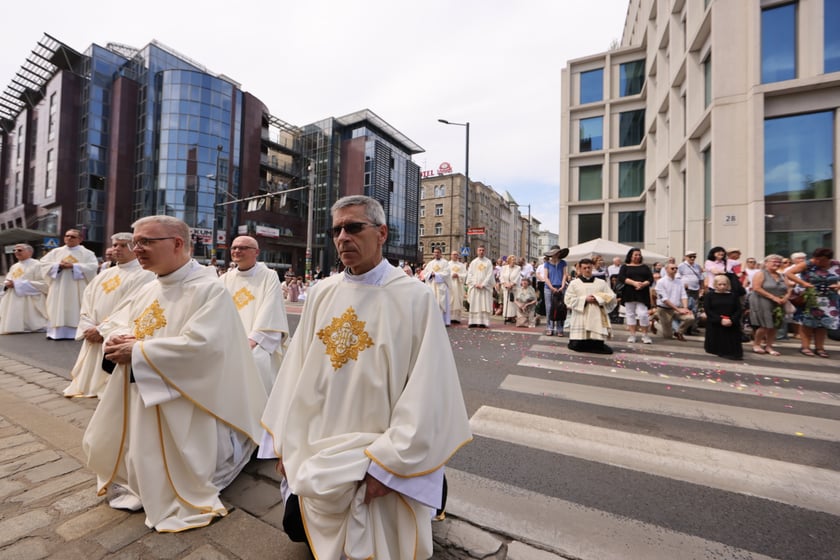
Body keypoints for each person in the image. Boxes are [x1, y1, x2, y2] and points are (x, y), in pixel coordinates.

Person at [259, 195, 471, 559]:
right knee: (296, 526)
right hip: (319, 440)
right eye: (337, 230)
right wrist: (282, 442)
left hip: (377, 445)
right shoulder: (322, 293)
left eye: (354, 227)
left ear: (382, 233)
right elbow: (295, 369)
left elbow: (427, 390)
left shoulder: (415, 297)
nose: (343, 237)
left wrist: (388, 466)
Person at [82, 215, 267, 532]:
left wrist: (139, 351)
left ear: (178, 243)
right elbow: (125, 321)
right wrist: (117, 337)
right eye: (135, 242)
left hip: (185, 400)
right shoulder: (149, 286)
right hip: (142, 390)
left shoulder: (209, 291)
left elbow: (205, 348)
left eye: (146, 242)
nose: (137, 249)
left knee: (175, 462)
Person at [63, 233, 155, 399]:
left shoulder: (145, 274)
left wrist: (102, 329)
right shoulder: (106, 273)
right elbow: (87, 298)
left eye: (123, 245)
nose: (116, 249)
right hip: (93, 328)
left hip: (113, 331)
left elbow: (131, 306)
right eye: (115, 245)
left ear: (134, 248)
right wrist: (87, 324)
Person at [222, 235, 290, 393]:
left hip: (257, 340)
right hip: (229, 340)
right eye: (234, 247)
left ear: (256, 252)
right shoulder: (224, 279)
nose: (237, 251)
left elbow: (271, 309)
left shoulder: (269, 275)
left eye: (243, 248)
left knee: (258, 360)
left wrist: (252, 341)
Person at [40, 229, 99, 340]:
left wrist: (74, 266)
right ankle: (56, 333)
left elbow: (92, 267)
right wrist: (58, 265)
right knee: (57, 308)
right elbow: (43, 264)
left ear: (80, 239)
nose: (69, 238)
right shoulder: (56, 252)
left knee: (76, 308)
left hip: (77, 287)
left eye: (73, 236)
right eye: (67, 236)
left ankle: (75, 333)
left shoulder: (87, 253)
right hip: (58, 286)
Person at [785, 247, 840, 358]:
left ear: (828, 259)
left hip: (829, 298)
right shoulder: (809, 264)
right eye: (816, 258)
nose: (818, 261)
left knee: (824, 323)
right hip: (812, 296)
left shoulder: (836, 265)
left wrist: (838, 286)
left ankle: (820, 347)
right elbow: (789, 273)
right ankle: (805, 347)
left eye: (821, 259)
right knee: (808, 322)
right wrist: (803, 283)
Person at [564, 258, 617, 354]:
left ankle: (596, 344)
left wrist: (599, 298)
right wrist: (584, 299)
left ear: (592, 267)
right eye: (584, 268)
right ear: (580, 269)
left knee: (597, 344)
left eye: (589, 267)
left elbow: (611, 296)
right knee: (578, 345)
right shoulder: (574, 283)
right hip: (581, 314)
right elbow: (568, 299)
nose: (587, 270)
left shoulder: (601, 283)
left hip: (596, 313)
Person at [747, 254, 791, 356]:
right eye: (774, 261)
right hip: (762, 301)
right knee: (765, 325)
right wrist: (773, 297)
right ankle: (757, 344)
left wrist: (785, 298)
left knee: (774, 326)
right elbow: (756, 288)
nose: (777, 264)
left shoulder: (782, 275)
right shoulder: (760, 273)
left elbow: (789, 289)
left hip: (779, 303)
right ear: (766, 263)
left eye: (779, 262)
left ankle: (769, 346)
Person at [0, 244, 49, 334]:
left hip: (31, 297)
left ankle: (34, 326)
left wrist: (18, 284)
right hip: (14, 296)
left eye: (19, 250)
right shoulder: (14, 266)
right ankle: (15, 326)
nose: (16, 252)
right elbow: (9, 278)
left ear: (29, 252)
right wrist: (8, 283)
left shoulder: (37, 265)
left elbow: (44, 283)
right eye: (14, 250)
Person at [618, 247, 654, 344]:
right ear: (630, 256)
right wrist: (634, 283)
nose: (638, 256)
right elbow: (621, 277)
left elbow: (650, 279)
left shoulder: (645, 267)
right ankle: (632, 335)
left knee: (643, 314)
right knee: (630, 314)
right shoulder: (625, 267)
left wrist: (643, 284)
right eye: (636, 255)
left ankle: (645, 335)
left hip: (642, 293)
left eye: (639, 255)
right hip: (629, 292)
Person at [703, 274, 744, 360]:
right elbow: (708, 310)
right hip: (715, 323)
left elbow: (738, 310)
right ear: (715, 285)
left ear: (728, 284)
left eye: (724, 284)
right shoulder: (709, 296)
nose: (722, 286)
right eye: (720, 284)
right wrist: (720, 320)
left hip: (730, 322)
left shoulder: (733, 296)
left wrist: (731, 320)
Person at [654, 262, 695, 341]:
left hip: (676, 308)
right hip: (664, 309)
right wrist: (678, 309)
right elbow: (664, 300)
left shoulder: (680, 282)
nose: (675, 270)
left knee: (690, 317)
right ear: (666, 269)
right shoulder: (661, 282)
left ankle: (679, 332)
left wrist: (685, 308)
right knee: (668, 336)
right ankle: (655, 323)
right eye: (672, 268)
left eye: (676, 268)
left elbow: (684, 296)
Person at [543, 245, 569, 336]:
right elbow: (546, 277)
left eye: (558, 252)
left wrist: (562, 286)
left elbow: (565, 275)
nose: (557, 254)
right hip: (548, 288)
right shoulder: (547, 264)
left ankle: (560, 329)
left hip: (560, 287)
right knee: (549, 308)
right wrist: (551, 287)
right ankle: (549, 328)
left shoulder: (563, 263)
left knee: (561, 308)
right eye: (556, 252)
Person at [466, 245, 494, 328]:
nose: (481, 252)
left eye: (483, 250)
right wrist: (475, 283)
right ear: (477, 251)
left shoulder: (488, 262)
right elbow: (470, 274)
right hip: (475, 287)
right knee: (475, 304)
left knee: (483, 304)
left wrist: (483, 284)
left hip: (484, 288)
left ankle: (483, 322)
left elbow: (489, 274)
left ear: (485, 251)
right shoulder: (473, 262)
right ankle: (473, 321)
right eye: (480, 250)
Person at [677, 250, 704, 334]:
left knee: (695, 309)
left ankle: (692, 328)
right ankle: (684, 328)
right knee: (686, 308)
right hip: (686, 290)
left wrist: (702, 288)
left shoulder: (697, 266)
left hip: (695, 290)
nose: (692, 258)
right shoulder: (681, 266)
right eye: (690, 256)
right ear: (685, 257)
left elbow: (701, 278)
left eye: (694, 257)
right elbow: (677, 277)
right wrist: (682, 285)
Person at [423, 247, 452, 326]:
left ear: (441, 253)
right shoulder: (430, 263)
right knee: (433, 303)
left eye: (438, 252)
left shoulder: (445, 263)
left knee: (441, 303)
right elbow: (425, 274)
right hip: (432, 286)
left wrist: (436, 275)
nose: (436, 254)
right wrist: (430, 274)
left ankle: (443, 321)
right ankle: (434, 321)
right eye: (435, 252)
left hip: (441, 286)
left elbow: (447, 273)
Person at [499, 255, 521, 324]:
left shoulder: (518, 268)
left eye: (514, 260)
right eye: (512, 260)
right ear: (509, 260)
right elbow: (501, 277)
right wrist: (505, 284)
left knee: (513, 302)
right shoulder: (504, 268)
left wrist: (511, 284)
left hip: (514, 288)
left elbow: (517, 278)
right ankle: (508, 316)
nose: (513, 261)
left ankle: (513, 316)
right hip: (506, 288)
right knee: (507, 302)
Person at [448, 250, 467, 324]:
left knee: (458, 300)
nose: (455, 256)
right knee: (451, 300)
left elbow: (465, 274)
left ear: (458, 256)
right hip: (450, 285)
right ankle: (449, 317)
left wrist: (458, 275)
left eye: (456, 254)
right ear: (451, 255)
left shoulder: (461, 265)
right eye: (453, 254)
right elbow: (446, 274)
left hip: (459, 285)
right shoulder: (447, 264)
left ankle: (457, 318)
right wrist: (451, 275)